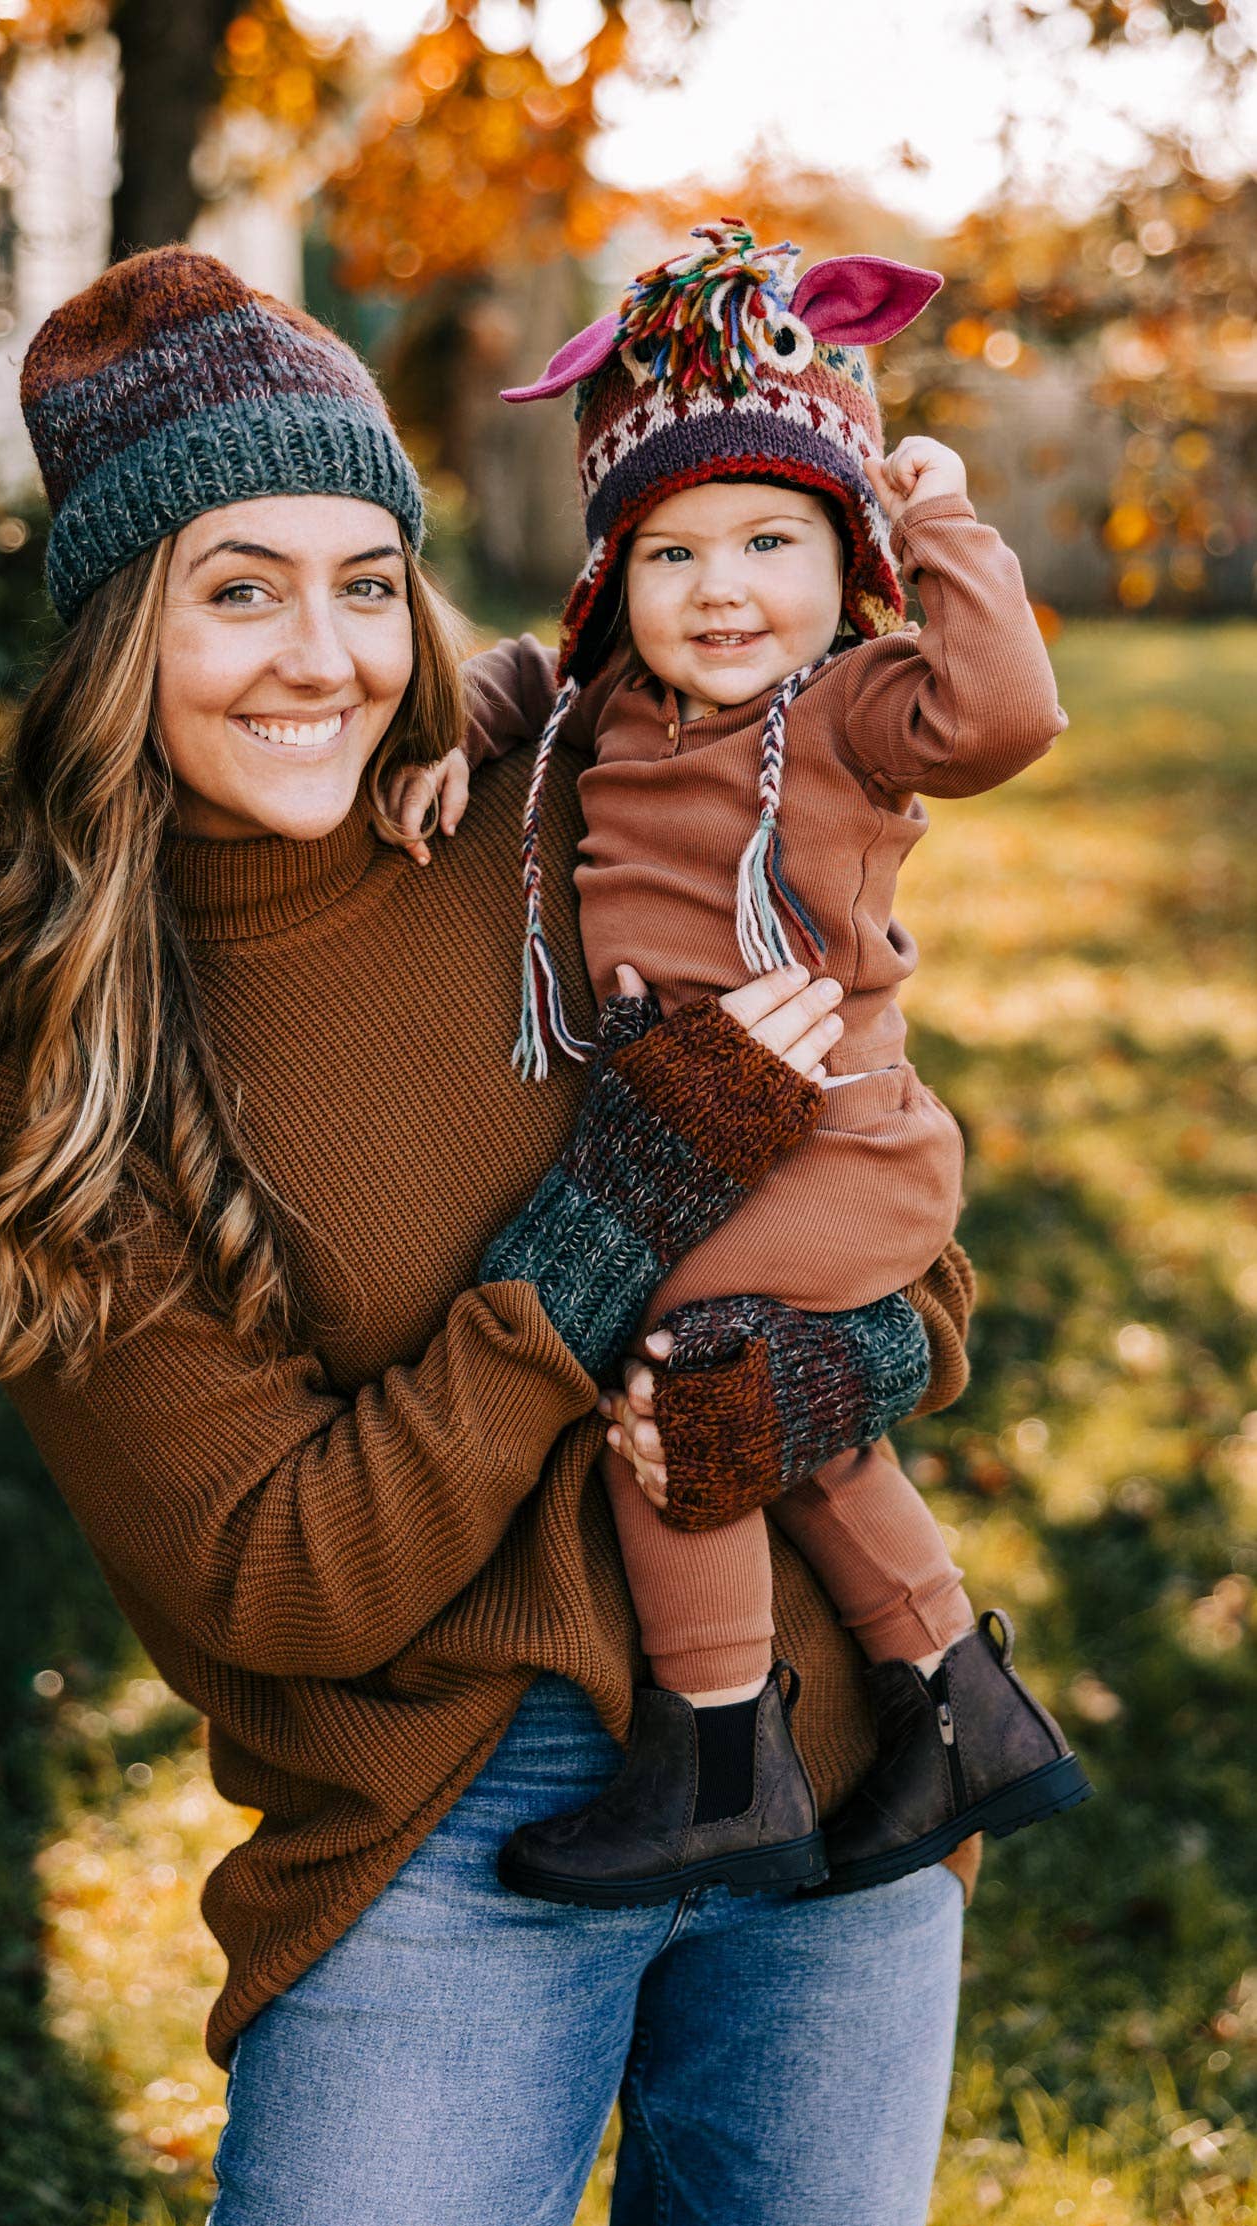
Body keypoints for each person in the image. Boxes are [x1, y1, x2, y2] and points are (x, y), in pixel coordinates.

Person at [0, 245, 982, 2226]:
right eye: (240, 589)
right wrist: (604, 1231)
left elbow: (890, 1215)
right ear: (119, 630)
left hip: (833, 1762)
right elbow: (279, 1579)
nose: (323, 658)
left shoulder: (559, 807)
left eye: (367, 582)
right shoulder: (59, 1086)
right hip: (446, 1819)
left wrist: (847, 1376)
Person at [391, 224, 1090, 1908]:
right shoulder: (612, 700)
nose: (721, 591)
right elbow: (517, 675)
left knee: (683, 1381)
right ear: (613, 581)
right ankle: (959, 1703)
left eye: (772, 541)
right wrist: (456, 731)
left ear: (839, 558)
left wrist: (937, 516)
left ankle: (715, 1750)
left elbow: (1005, 715)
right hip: (731, 1139)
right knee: (796, 1419)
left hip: (837, 1147)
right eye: (672, 552)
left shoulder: (850, 705)